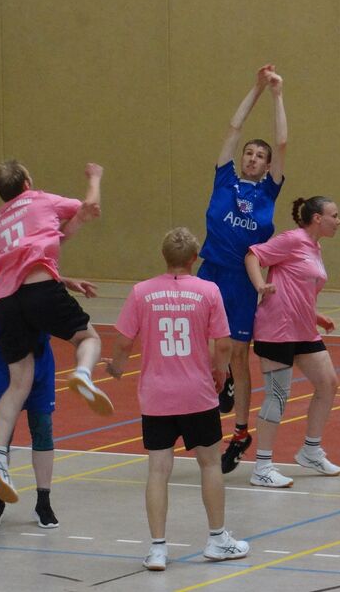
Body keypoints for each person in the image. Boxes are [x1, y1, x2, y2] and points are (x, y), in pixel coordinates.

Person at [105, 227, 249, 570]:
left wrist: (117, 366)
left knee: (158, 470)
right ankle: (217, 540)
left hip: (157, 396)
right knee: (210, 464)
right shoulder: (208, 291)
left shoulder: (142, 292)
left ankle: (157, 549)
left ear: (164, 256)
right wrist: (221, 372)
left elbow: (123, 341)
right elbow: (224, 344)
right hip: (197, 394)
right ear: (194, 258)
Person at [0, 160, 109, 505]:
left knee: (18, 383)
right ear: (27, 181)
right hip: (40, 288)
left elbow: (55, 235)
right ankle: (82, 373)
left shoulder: (2, 221)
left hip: (7, 302)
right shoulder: (41, 199)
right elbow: (89, 206)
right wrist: (95, 178)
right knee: (88, 338)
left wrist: (75, 225)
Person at [0, 207, 93, 528]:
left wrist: (64, 282)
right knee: (0, 428)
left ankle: (43, 502)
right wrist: (5, 286)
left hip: (37, 350)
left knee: (42, 426)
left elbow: (42, 281)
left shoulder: (23, 253)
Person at [197, 64, 287, 475]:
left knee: (238, 354)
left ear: (267, 166)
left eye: (259, 156)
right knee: (203, 349)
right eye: (249, 153)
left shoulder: (268, 190)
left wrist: (277, 95)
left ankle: (238, 433)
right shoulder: (224, 180)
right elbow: (233, 128)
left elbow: (282, 142)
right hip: (209, 272)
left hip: (241, 280)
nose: (252, 158)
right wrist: (255, 88)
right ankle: (212, 400)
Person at [243, 196, 340, 488]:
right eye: (334, 215)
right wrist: (260, 285)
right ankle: (262, 467)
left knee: (328, 384)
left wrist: (316, 316)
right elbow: (252, 255)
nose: (338, 221)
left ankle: (311, 451)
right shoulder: (292, 240)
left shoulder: (314, 246)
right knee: (277, 395)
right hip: (277, 329)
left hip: (304, 329)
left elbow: (298, 288)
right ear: (317, 218)